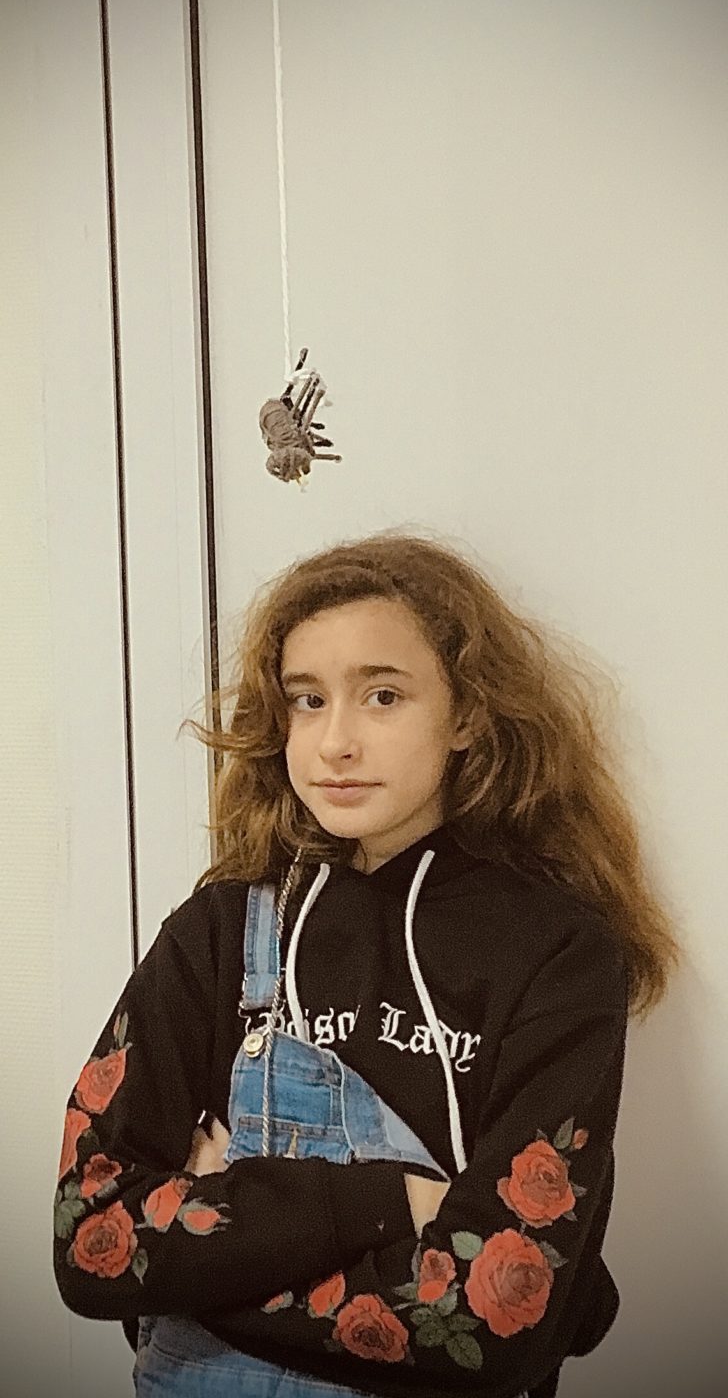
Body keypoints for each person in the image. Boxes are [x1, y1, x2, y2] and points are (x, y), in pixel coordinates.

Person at [53, 529, 681, 1398]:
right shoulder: (220, 931)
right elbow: (92, 1245)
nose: (334, 743)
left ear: (468, 715)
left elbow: (490, 1328)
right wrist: (395, 1204)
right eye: (307, 700)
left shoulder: (557, 954)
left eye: (383, 696)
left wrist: (208, 1248)